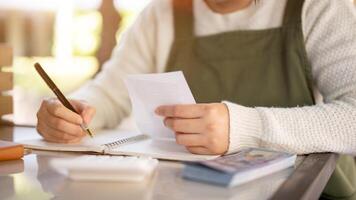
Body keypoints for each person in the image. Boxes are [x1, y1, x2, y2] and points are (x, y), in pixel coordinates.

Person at [36, 0, 356, 199]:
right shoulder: (163, 13)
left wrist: (242, 127)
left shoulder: (319, 6)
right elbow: (109, 91)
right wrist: (72, 110)